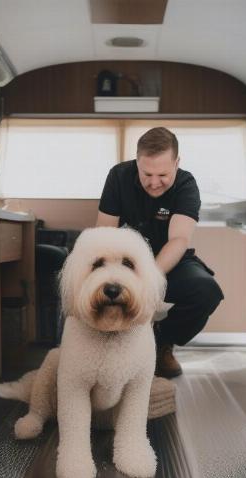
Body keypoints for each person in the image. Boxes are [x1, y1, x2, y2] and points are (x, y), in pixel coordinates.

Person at [96, 126, 224, 378]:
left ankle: (161, 342)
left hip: (170, 261)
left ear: (177, 162)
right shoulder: (118, 176)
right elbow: (103, 235)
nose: (154, 183)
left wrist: (147, 277)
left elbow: (179, 238)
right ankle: (111, 349)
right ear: (137, 162)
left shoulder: (187, 184)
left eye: (163, 174)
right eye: (147, 174)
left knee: (207, 291)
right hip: (123, 263)